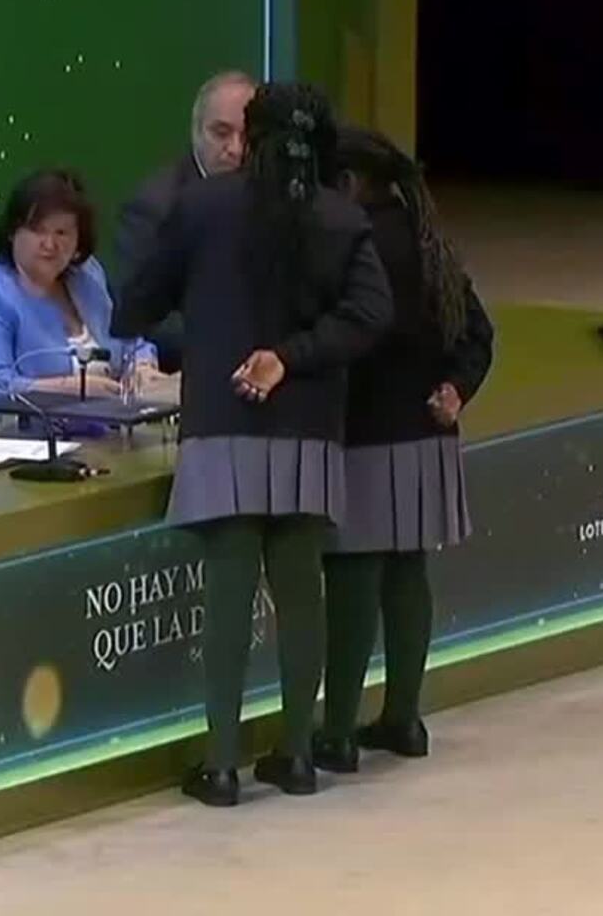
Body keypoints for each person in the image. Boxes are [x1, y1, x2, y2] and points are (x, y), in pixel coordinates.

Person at [114, 82, 394, 807]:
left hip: (222, 421)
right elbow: (372, 313)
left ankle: (220, 767)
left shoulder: (202, 206)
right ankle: (297, 756)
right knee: (301, 594)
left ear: (253, 135)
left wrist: (201, 312)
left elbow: (134, 304)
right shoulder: (340, 216)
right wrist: (293, 355)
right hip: (309, 427)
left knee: (229, 594)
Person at [312, 127, 495, 773]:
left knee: (353, 578)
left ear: (346, 183)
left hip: (362, 433)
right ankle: (404, 718)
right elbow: (478, 331)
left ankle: (337, 732)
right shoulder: (428, 240)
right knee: (408, 572)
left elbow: (343, 334)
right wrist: (457, 389)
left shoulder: (349, 242)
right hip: (426, 432)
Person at [0, 169, 161, 434]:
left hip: (89, 435)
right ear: (12, 231)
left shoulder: (86, 276)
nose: (49, 244)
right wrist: (75, 389)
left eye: (62, 232)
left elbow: (130, 343)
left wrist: (142, 367)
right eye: (37, 230)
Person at [111, 69, 257, 372]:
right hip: (186, 374)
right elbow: (141, 316)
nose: (235, 149)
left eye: (248, 136)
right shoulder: (154, 207)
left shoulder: (273, 198)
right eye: (221, 133)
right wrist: (238, 343)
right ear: (196, 132)